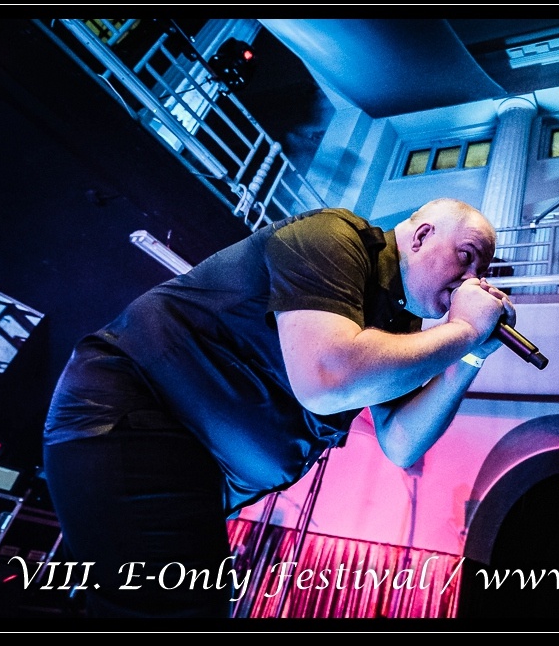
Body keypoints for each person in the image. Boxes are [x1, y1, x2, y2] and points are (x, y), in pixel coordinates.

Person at [41, 198, 514, 618]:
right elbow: (326, 380)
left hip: (193, 471)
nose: (472, 278)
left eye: (482, 270)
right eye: (467, 256)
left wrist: (470, 356)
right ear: (422, 235)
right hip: (135, 417)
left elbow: (401, 444)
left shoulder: (400, 326)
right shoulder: (333, 236)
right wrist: (465, 331)